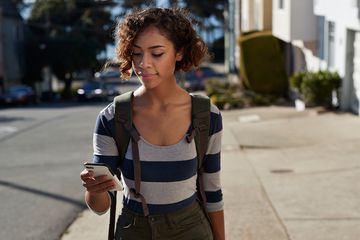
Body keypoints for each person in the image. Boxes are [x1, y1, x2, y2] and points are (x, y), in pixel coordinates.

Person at [80, 7, 225, 240]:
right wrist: (93, 190)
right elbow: (100, 206)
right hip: (133, 230)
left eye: (156, 53)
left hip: (191, 229)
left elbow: (212, 190)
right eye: (136, 53)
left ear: (179, 53)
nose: (143, 63)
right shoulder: (112, 117)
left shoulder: (207, 115)